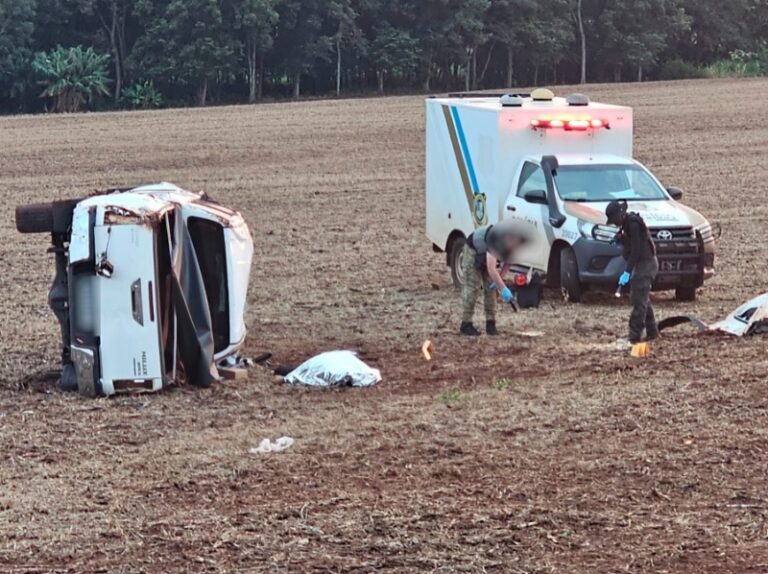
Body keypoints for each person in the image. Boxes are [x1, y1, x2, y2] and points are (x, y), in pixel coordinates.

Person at [606, 200, 660, 344]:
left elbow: (636, 249)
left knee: (638, 301)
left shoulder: (634, 224)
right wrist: (620, 238)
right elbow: (633, 242)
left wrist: (627, 271)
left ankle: (634, 336)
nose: (614, 223)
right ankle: (652, 331)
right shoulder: (628, 225)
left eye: (614, 220)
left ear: (620, 214)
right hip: (645, 264)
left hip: (646, 265)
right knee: (643, 298)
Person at [459, 221, 524, 336]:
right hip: (472, 253)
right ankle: (466, 324)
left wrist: (499, 281)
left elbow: (508, 262)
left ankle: (491, 324)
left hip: (486, 255)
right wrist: (503, 288)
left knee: (491, 290)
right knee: (473, 288)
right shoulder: (496, 239)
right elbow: (491, 268)